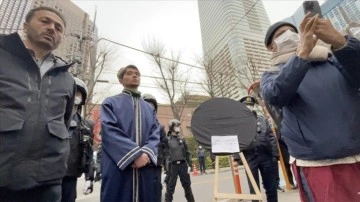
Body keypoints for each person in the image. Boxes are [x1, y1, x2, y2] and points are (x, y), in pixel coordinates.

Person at [261, 13, 360, 202]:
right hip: (319, 163)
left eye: (293, 31)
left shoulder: (332, 59)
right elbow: (276, 95)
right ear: (271, 47)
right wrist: (301, 56)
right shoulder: (273, 74)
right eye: (281, 34)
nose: (290, 34)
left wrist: (342, 42)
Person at [0, 7, 75, 201]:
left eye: (59, 28)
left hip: (48, 183)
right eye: (45, 21)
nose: (52, 29)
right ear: (25, 26)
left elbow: (64, 123)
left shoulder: (67, 78)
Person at [100, 65, 160, 202]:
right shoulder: (110, 103)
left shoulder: (149, 109)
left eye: (137, 74)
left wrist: (146, 153)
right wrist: (134, 155)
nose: (134, 76)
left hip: (145, 167)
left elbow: (155, 133)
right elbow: (109, 130)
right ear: (121, 80)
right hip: (118, 167)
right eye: (130, 73)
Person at [239, 96, 278, 202]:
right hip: (250, 156)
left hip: (266, 155)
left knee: (271, 186)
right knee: (254, 189)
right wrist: (237, 158)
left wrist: (275, 154)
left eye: (251, 105)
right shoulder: (238, 123)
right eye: (246, 105)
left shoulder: (262, 119)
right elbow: (235, 140)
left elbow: (271, 137)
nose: (249, 107)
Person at [61, 77, 95, 202]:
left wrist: (89, 178)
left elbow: (89, 152)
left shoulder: (86, 125)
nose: (74, 96)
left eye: (78, 93)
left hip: (70, 176)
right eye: (71, 91)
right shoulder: (51, 118)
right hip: (47, 175)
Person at [142, 93, 169, 201]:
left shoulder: (160, 128)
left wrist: (167, 169)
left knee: (156, 194)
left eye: (152, 106)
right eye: (146, 105)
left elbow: (166, 149)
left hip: (155, 167)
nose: (149, 108)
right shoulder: (136, 127)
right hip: (140, 167)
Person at [165, 119, 195, 202]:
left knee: (187, 186)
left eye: (178, 126)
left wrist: (189, 165)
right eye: (176, 126)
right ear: (172, 128)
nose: (178, 128)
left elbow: (187, 152)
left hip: (183, 165)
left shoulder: (182, 139)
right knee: (170, 189)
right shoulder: (167, 140)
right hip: (172, 166)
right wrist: (166, 167)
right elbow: (165, 154)